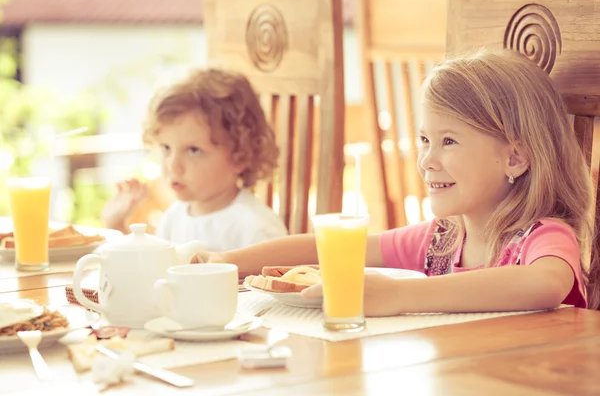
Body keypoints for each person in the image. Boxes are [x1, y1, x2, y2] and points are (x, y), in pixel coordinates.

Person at [191, 49, 600, 316]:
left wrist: (399, 295)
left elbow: (544, 283)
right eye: (424, 140)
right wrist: (228, 260)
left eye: (448, 141)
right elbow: (337, 246)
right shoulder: (441, 239)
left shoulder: (544, 236)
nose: (426, 160)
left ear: (514, 156)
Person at [102, 68, 288, 251]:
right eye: (166, 148)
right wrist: (117, 226)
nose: (173, 166)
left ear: (240, 156)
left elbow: (280, 279)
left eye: (193, 150)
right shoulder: (174, 217)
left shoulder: (257, 229)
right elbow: (150, 272)